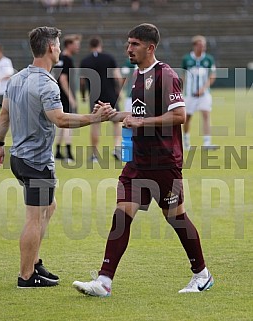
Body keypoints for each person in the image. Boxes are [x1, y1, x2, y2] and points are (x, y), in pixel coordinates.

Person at [73, 23, 214, 296]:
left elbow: (179, 115)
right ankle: (104, 281)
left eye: (134, 44)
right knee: (121, 214)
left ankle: (202, 274)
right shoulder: (137, 75)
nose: (129, 49)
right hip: (137, 163)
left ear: (150, 47)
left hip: (164, 162)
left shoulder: (166, 75)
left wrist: (142, 122)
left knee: (176, 218)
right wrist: (112, 114)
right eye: (128, 44)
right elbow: (136, 113)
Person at [0, 26, 115, 288]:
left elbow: (4, 115)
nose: (59, 48)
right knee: (34, 218)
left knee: (50, 206)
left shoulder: (17, 78)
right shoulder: (47, 83)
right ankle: (26, 276)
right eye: (57, 44)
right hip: (36, 162)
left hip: (19, 158)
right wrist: (95, 118)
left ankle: (34, 262)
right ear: (50, 48)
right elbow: (59, 119)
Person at [80, 36, 123, 161]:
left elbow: (82, 82)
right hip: (110, 95)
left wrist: (83, 95)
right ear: (100, 45)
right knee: (116, 122)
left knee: (95, 123)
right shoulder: (109, 58)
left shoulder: (85, 61)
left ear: (90, 46)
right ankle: (116, 148)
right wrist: (118, 93)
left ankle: (94, 154)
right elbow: (118, 77)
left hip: (94, 97)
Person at [181, 35, 217, 150]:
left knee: (206, 115)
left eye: (204, 46)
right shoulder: (187, 59)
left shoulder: (208, 59)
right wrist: (181, 91)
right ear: (195, 46)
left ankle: (207, 142)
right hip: (189, 94)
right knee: (187, 118)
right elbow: (183, 76)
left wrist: (204, 88)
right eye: (201, 45)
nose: (203, 48)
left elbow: (212, 75)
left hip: (204, 94)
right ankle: (186, 141)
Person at [54, 34, 81, 161]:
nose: (78, 47)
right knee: (69, 123)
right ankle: (68, 153)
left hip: (58, 94)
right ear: (69, 45)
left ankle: (58, 151)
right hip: (65, 95)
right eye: (76, 45)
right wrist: (71, 97)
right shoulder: (67, 59)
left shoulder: (60, 58)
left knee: (62, 123)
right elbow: (63, 78)